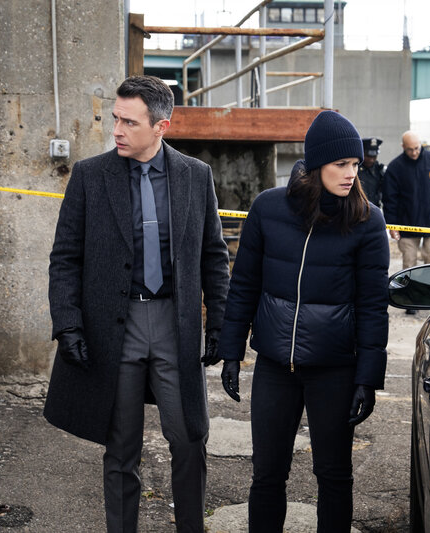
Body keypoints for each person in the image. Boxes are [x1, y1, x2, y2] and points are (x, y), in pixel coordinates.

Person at [44, 75, 230, 533]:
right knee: (121, 445)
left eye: (130, 122)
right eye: (115, 120)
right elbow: (65, 257)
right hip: (115, 325)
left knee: (189, 438)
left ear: (161, 126)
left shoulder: (195, 175)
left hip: (173, 322)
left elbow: (213, 255)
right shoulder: (90, 176)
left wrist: (219, 326)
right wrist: (68, 325)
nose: (118, 130)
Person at [217, 110, 390, 532]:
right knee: (267, 475)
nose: (351, 174)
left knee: (333, 476)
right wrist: (230, 353)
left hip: (335, 370)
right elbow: (244, 286)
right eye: (340, 165)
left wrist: (368, 377)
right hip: (275, 366)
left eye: (354, 165)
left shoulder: (369, 222)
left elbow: (373, 306)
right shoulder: (268, 209)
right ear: (316, 165)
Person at [383, 130, 430, 268]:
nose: (414, 152)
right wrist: (392, 225)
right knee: (409, 262)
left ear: (421, 144)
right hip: (406, 222)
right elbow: (389, 200)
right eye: (410, 149)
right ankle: (410, 289)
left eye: (416, 148)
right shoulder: (395, 168)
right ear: (403, 147)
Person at [357, 136, 385, 208]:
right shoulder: (355, 170)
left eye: (374, 157)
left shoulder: (379, 170)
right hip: (358, 209)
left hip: (374, 209)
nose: (371, 160)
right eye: (368, 156)